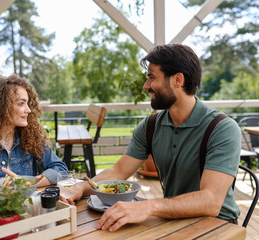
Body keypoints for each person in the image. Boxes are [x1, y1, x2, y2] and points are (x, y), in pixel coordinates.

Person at [64, 44, 241, 232]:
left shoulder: (222, 129)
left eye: (151, 77)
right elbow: (118, 171)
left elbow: (211, 202)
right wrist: (82, 187)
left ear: (177, 80)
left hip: (218, 226)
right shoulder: (150, 126)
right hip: (172, 220)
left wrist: (149, 206)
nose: (146, 86)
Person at [0, 75, 68, 202]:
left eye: (27, 103)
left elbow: (60, 169)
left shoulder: (30, 136)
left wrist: (23, 183)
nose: (29, 110)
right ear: (1, 106)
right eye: (21, 103)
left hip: (27, 211)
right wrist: (0, 198)